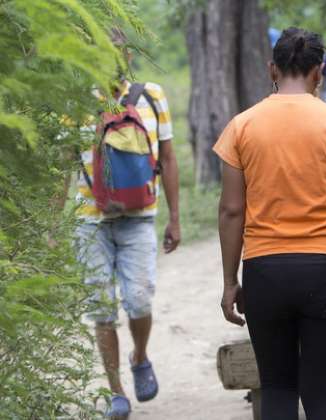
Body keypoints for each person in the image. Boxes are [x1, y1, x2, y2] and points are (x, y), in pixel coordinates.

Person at [214, 27, 326, 420]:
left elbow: (231, 210)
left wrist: (231, 282)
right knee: (324, 393)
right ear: (320, 72)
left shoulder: (242, 126)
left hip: (265, 272)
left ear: (272, 69)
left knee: (277, 388)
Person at [73, 30, 180, 419]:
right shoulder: (76, 98)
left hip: (139, 217)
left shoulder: (151, 96)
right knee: (101, 308)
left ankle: (139, 355)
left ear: (128, 57)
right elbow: (61, 163)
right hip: (89, 221)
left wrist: (176, 218)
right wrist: (50, 227)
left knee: (138, 300)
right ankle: (117, 390)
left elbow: (168, 158)